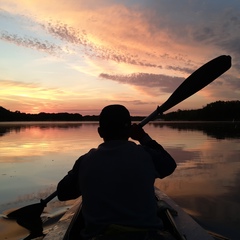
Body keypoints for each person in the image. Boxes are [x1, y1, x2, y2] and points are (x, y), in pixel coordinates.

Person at [57, 104, 176, 240]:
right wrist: (143, 137)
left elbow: (63, 193)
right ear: (129, 131)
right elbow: (169, 165)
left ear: (100, 132)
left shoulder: (84, 161)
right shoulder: (148, 155)